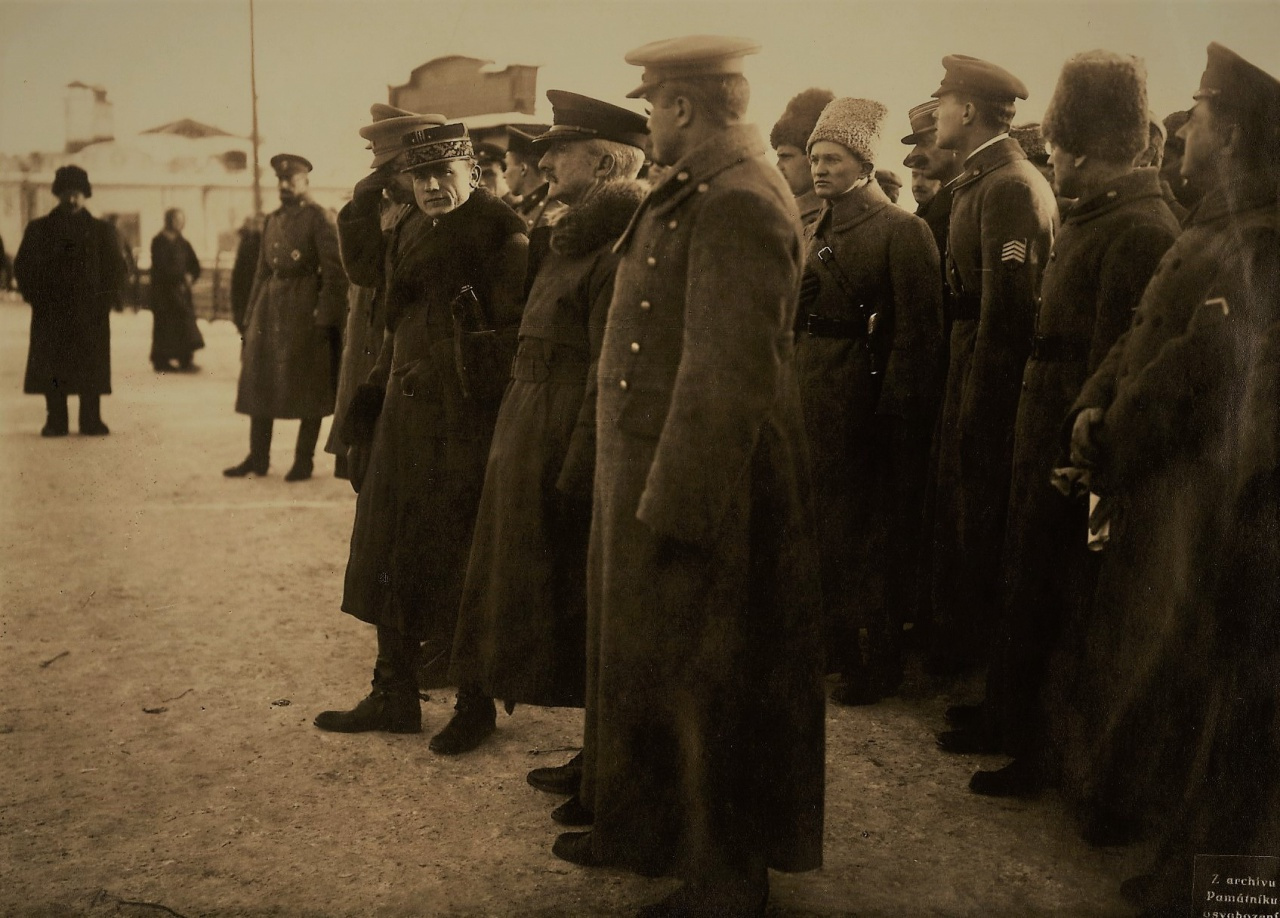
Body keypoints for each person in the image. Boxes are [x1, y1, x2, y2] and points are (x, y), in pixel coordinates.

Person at [553, 36, 825, 918]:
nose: (646, 123)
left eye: (650, 105)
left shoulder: (739, 197)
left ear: (681, 106)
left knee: (713, 686)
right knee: (661, 675)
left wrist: (673, 511)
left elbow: (728, 373)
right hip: (652, 471)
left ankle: (725, 881)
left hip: (704, 491)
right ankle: (651, 835)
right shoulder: (697, 186)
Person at [1062, 40, 1280, 862]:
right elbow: (1141, 333)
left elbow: (1194, 365)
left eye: (1203, 112)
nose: (1185, 128)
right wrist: (1092, 402)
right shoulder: (1214, 219)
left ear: (1234, 133)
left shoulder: (1259, 237)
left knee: (1161, 643)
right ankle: (1112, 792)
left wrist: (1111, 433)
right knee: (1132, 631)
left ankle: (1130, 804)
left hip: (1190, 480)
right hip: (1149, 465)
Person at [960, 50, 1180, 798]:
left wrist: (1085, 448)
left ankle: (1042, 749)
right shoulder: (1101, 215)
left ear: (1082, 150)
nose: (1052, 162)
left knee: (1061, 590)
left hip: (1074, 435)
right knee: (1026, 572)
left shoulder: (1139, 229)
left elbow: (1117, 355)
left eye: (1057, 149)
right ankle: (1008, 718)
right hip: (1045, 417)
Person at [442, 91, 649, 771]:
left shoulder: (619, 248)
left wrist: (581, 459)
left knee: (577, 595)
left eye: (561, 151)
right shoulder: (561, 235)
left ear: (605, 163)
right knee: (499, 575)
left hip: (562, 431)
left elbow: (605, 367)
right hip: (524, 418)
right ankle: (481, 703)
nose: (546, 162)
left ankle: (601, 759)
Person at [313, 121, 528, 737]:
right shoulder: (411, 223)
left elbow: (513, 337)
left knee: (461, 557)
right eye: (420, 175)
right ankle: (393, 693)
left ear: (474, 173)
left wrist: (447, 366)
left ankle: (475, 706)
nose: (432, 186)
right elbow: (394, 316)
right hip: (403, 413)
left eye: (444, 173)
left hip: (465, 423)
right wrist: (371, 396)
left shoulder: (503, 233)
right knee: (388, 546)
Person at [797, 97, 943, 705]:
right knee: (821, 523)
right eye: (815, 158)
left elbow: (919, 335)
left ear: (863, 165)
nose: (819, 169)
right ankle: (833, 645)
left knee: (872, 533)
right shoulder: (817, 228)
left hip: (864, 394)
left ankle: (878, 660)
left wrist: (896, 414)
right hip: (811, 389)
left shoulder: (903, 231)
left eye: (833, 159)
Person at [924, 55, 1058, 686]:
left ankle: (976, 664)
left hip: (986, 368)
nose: (937, 115)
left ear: (970, 109)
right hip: (966, 353)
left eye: (943, 104)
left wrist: (981, 405)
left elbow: (1006, 313)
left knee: (980, 512)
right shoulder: (982, 180)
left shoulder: (1009, 186)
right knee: (961, 511)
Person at [325, 104, 433, 480]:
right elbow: (365, 271)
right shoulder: (393, 206)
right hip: (375, 352)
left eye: (394, 168)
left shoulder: (431, 213)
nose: (385, 180)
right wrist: (361, 208)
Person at [224, 154, 346, 482]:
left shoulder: (319, 218)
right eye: (280, 180)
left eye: (290, 180)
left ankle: (303, 460)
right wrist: (250, 316)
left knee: (309, 387)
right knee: (259, 381)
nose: (284, 185)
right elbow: (261, 272)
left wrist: (324, 316)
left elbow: (335, 273)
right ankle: (257, 458)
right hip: (269, 310)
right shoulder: (272, 220)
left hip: (305, 310)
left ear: (305, 181)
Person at [15, 165, 125, 437]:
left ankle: (91, 419)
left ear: (86, 195)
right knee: (54, 366)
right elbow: (23, 267)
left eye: (77, 193)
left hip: (91, 312)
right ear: (58, 194)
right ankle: (56, 420)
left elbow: (117, 269)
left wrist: (105, 301)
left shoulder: (102, 231)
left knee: (91, 365)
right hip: (52, 311)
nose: (72, 199)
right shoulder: (39, 229)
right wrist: (36, 298)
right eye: (67, 193)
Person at [148, 208, 204, 372]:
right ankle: (161, 361)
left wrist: (191, 276)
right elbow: (162, 266)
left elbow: (194, 265)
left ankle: (185, 359)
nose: (180, 223)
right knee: (165, 326)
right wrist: (180, 276)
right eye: (176, 219)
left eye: (181, 220)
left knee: (184, 324)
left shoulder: (183, 243)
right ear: (169, 220)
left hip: (181, 292)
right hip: (164, 292)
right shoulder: (159, 241)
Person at [769, 88, 834, 226]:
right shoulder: (787, 210)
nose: (778, 167)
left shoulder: (824, 218)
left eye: (786, 157)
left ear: (814, 159)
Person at [507, 128, 565, 231]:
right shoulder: (518, 208)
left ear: (523, 169)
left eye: (507, 166)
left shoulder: (553, 211)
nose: (504, 174)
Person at [230, 214, 264, 334]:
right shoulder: (248, 245)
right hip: (248, 293)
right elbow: (238, 278)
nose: (260, 227)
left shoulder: (266, 244)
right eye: (257, 224)